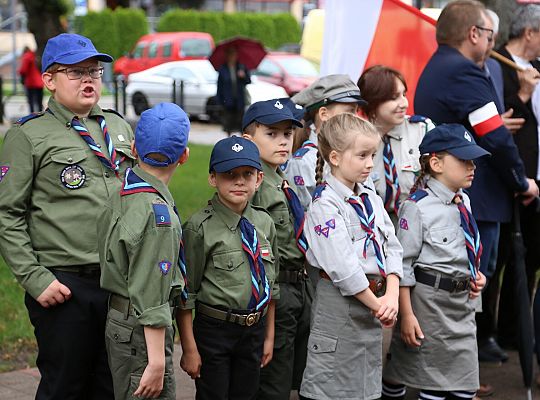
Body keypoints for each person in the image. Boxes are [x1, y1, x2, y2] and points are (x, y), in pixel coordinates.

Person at [0, 33, 135, 399]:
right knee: (65, 386)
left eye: (94, 70)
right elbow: (7, 214)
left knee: (114, 384)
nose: (88, 79)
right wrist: (34, 278)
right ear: (48, 80)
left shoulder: (118, 127)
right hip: (65, 286)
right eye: (75, 72)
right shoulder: (29, 135)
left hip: (119, 283)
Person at [414, 0, 539, 366]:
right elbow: (495, 136)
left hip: (458, 194)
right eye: (489, 35)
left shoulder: (442, 65)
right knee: (469, 287)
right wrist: (522, 180)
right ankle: (455, 373)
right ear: (473, 34)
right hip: (475, 196)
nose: (491, 43)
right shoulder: (465, 72)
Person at [299, 113, 402, 400]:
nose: (370, 163)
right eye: (362, 156)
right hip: (341, 310)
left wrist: (391, 296)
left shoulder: (371, 198)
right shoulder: (324, 205)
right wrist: (378, 306)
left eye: (373, 155)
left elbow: (392, 246)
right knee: (331, 389)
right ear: (334, 157)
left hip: (373, 308)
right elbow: (343, 269)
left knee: (365, 390)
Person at [381, 123, 488, 400]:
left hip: (461, 305)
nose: (472, 166)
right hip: (429, 307)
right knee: (430, 385)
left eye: (472, 160)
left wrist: (477, 275)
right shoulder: (416, 207)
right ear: (436, 163)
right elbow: (402, 266)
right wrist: (406, 316)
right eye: (464, 160)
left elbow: (466, 246)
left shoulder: (463, 200)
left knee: (465, 385)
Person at [98, 102, 190, 400]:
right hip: (142, 331)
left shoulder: (123, 190)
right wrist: (157, 361)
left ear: (134, 148)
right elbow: (151, 296)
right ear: (185, 156)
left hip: (122, 319)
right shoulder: (158, 216)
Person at [178, 136, 279, 400]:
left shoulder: (264, 224)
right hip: (215, 330)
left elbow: (271, 287)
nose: (239, 181)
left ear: (258, 179)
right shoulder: (199, 228)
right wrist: (189, 348)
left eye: (247, 174)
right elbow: (186, 295)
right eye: (229, 174)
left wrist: (268, 336)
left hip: (254, 329)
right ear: (213, 178)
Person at [241, 99, 308, 400]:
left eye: (288, 133)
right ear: (248, 140)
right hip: (275, 293)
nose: (283, 141)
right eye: (272, 134)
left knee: (294, 373)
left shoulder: (281, 182)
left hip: (299, 289)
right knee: (273, 382)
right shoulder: (253, 187)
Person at [494, 3, 540, 358]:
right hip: (512, 179)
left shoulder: (535, 67)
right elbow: (500, 121)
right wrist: (523, 94)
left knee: (530, 260)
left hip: (535, 180)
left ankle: (517, 331)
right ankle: (499, 332)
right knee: (504, 259)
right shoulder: (499, 66)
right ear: (529, 33)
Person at [357, 65, 434, 224]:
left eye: (404, 94)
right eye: (393, 98)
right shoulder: (355, 140)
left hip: (422, 221)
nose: (404, 103)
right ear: (372, 102)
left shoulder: (422, 129)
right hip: (375, 224)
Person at [283, 74, 367, 210]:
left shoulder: (358, 155)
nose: (355, 118)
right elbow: (306, 217)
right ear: (323, 114)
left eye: (356, 111)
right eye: (349, 111)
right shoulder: (303, 162)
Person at [216, 47, 251, 135]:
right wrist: (219, 100)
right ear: (227, 56)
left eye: (234, 54)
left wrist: (243, 76)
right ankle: (229, 138)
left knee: (240, 121)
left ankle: (241, 138)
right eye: (230, 54)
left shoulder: (241, 67)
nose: (232, 57)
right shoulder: (223, 69)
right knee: (228, 121)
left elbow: (248, 81)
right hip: (227, 100)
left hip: (239, 99)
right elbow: (219, 86)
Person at [18, 46, 44, 113]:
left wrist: (20, 73)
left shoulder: (27, 56)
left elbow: (23, 70)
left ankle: (32, 116)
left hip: (31, 82)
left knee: (31, 101)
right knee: (39, 101)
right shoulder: (35, 56)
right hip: (40, 82)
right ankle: (40, 116)